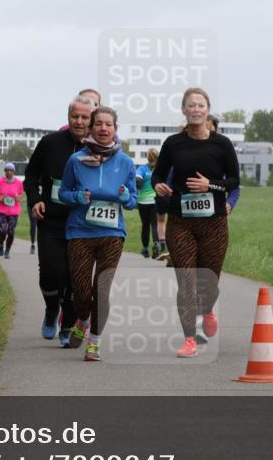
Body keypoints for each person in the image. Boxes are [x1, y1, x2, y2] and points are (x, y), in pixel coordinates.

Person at [152, 87, 240, 358]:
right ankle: (189, 338)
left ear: (207, 110)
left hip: (213, 223)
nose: (196, 110)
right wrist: (159, 187)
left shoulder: (221, 144)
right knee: (186, 281)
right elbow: (157, 176)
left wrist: (210, 185)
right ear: (184, 110)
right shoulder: (173, 143)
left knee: (208, 282)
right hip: (181, 222)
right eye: (191, 105)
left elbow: (234, 180)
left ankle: (208, 308)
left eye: (201, 105)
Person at [58, 106, 137, 358]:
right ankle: (82, 319)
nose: (104, 128)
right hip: (80, 231)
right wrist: (77, 197)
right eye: (99, 124)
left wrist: (126, 197)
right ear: (91, 127)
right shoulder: (76, 160)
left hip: (112, 234)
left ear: (115, 129)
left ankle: (94, 341)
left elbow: (134, 200)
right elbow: (63, 193)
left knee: (101, 289)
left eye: (109, 124)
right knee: (81, 292)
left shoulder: (125, 162)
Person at [25, 95, 92, 345]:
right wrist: (35, 199)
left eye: (85, 117)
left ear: (91, 119)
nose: (79, 121)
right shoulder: (49, 143)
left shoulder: (97, 149)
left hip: (83, 223)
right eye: (75, 116)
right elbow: (30, 175)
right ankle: (52, 309)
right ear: (68, 117)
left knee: (77, 278)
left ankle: (67, 326)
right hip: (51, 219)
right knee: (51, 273)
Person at [0, 164, 23, 258]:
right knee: (2, 230)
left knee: (11, 231)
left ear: (14, 171)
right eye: (7, 170)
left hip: (13, 210)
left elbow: (21, 193)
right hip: (1, 209)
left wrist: (18, 198)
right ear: (5, 171)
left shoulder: (18, 182)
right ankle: (1, 244)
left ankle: (7, 250)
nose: (9, 172)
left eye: (11, 170)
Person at [135, 148, 159, 258]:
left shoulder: (142, 168)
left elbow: (138, 180)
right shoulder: (159, 169)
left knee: (145, 226)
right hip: (155, 200)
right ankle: (156, 245)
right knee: (155, 224)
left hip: (142, 201)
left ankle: (145, 249)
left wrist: (139, 185)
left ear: (148, 157)